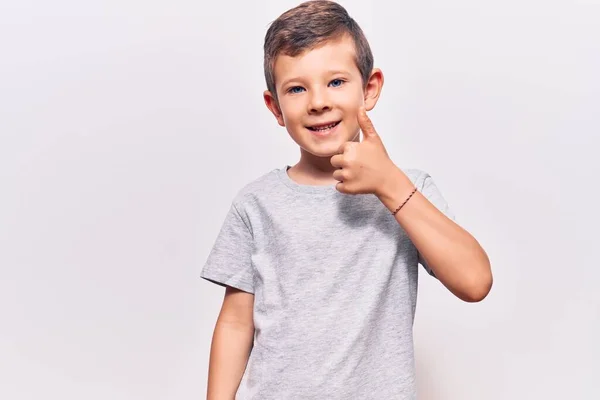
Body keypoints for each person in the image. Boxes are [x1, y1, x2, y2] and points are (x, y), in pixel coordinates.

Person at [200, 1, 493, 399]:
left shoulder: (408, 190)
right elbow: (236, 323)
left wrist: (389, 183)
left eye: (336, 82)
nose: (318, 101)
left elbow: (475, 282)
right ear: (276, 107)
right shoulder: (256, 204)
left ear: (369, 89)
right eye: (297, 88)